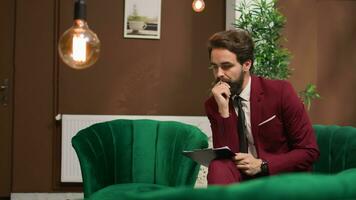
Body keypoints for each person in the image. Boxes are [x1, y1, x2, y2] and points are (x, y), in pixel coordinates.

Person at [205, 29, 320, 185]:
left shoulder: (280, 92)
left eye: (226, 66)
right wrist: (224, 113)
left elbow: (309, 151)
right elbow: (227, 158)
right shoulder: (215, 103)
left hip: (279, 177)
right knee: (219, 165)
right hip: (241, 179)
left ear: (246, 64)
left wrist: (262, 165)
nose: (219, 73)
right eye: (214, 67)